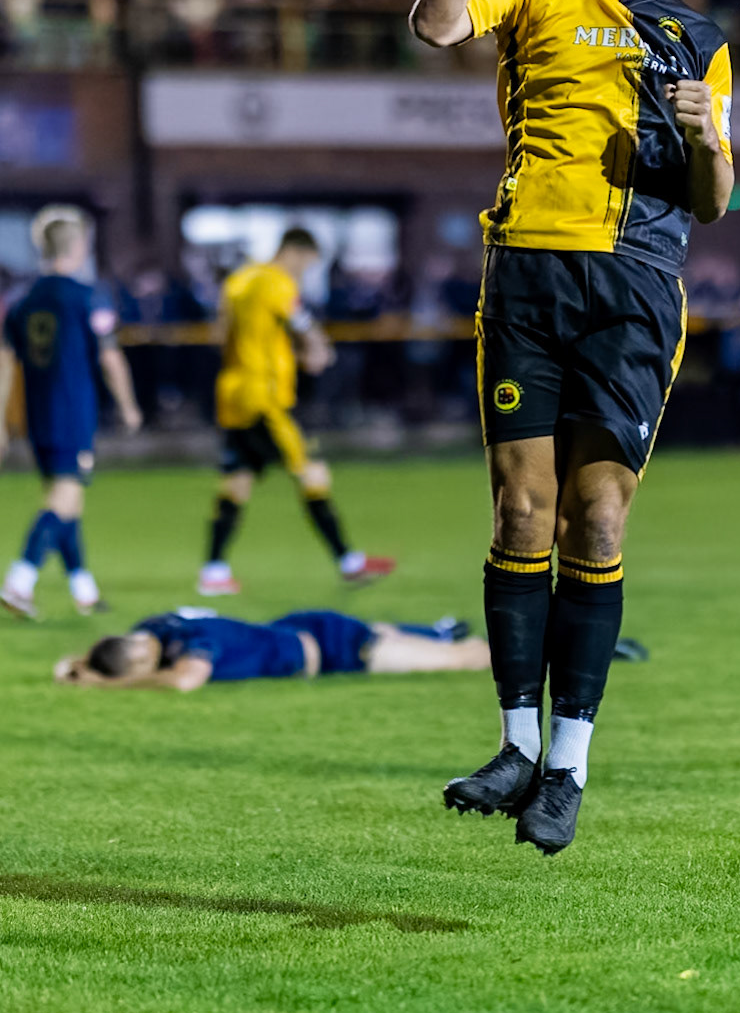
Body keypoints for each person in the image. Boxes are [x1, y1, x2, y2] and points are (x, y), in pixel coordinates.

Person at [410, 0, 734, 854]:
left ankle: (568, 766)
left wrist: (706, 139)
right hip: (528, 274)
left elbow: (713, 204)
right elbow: (435, 22)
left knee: (595, 522)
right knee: (521, 510)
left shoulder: (695, 35)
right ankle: (513, 743)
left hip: (635, 290)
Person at [198, 227, 395, 596]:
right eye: (305, 264)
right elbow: (302, 324)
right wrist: (319, 351)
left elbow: (219, 336)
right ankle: (348, 561)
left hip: (233, 394)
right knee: (311, 470)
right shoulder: (277, 282)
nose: (303, 272)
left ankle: (213, 571)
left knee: (237, 480)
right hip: (265, 398)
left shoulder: (238, 281)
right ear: (296, 252)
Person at [0, 207, 142, 618]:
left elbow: (6, 362)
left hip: (39, 413)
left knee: (67, 503)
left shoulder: (23, 301)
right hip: (73, 411)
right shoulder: (88, 295)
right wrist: (129, 406)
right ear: (79, 246)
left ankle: (85, 591)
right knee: (63, 500)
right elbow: (110, 358)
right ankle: (19, 581)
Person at [54, 608, 490, 689]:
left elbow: (183, 681)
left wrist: (102, 687)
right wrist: (80, 665)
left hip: (336, 647)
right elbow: (117, 655)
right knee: (410, 639)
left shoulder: (187, 644)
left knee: (460, 660)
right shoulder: (152, 626)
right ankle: (439, 630)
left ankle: (531, 649)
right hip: (300, 628)